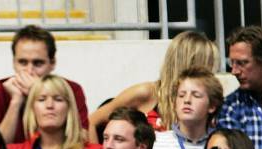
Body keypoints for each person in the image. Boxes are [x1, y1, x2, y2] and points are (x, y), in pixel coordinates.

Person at [88, 31, 219, 141]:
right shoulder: (147, 93)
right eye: (208, 66)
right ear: (189, 64)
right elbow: (91, 122)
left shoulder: (206, 102)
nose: (211, 74)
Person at [0, 25, 88, 144]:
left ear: (52, 63)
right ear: (14, 62)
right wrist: (15, 102)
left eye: (38, 63)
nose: (29, 71)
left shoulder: (71, 90)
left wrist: (39, 93)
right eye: (23, 62)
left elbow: (82, 141)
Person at [8, 74, 104, 149]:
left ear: (69, 109)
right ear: (32, 109)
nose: (49, 105)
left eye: (58, 99)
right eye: (41, 99)